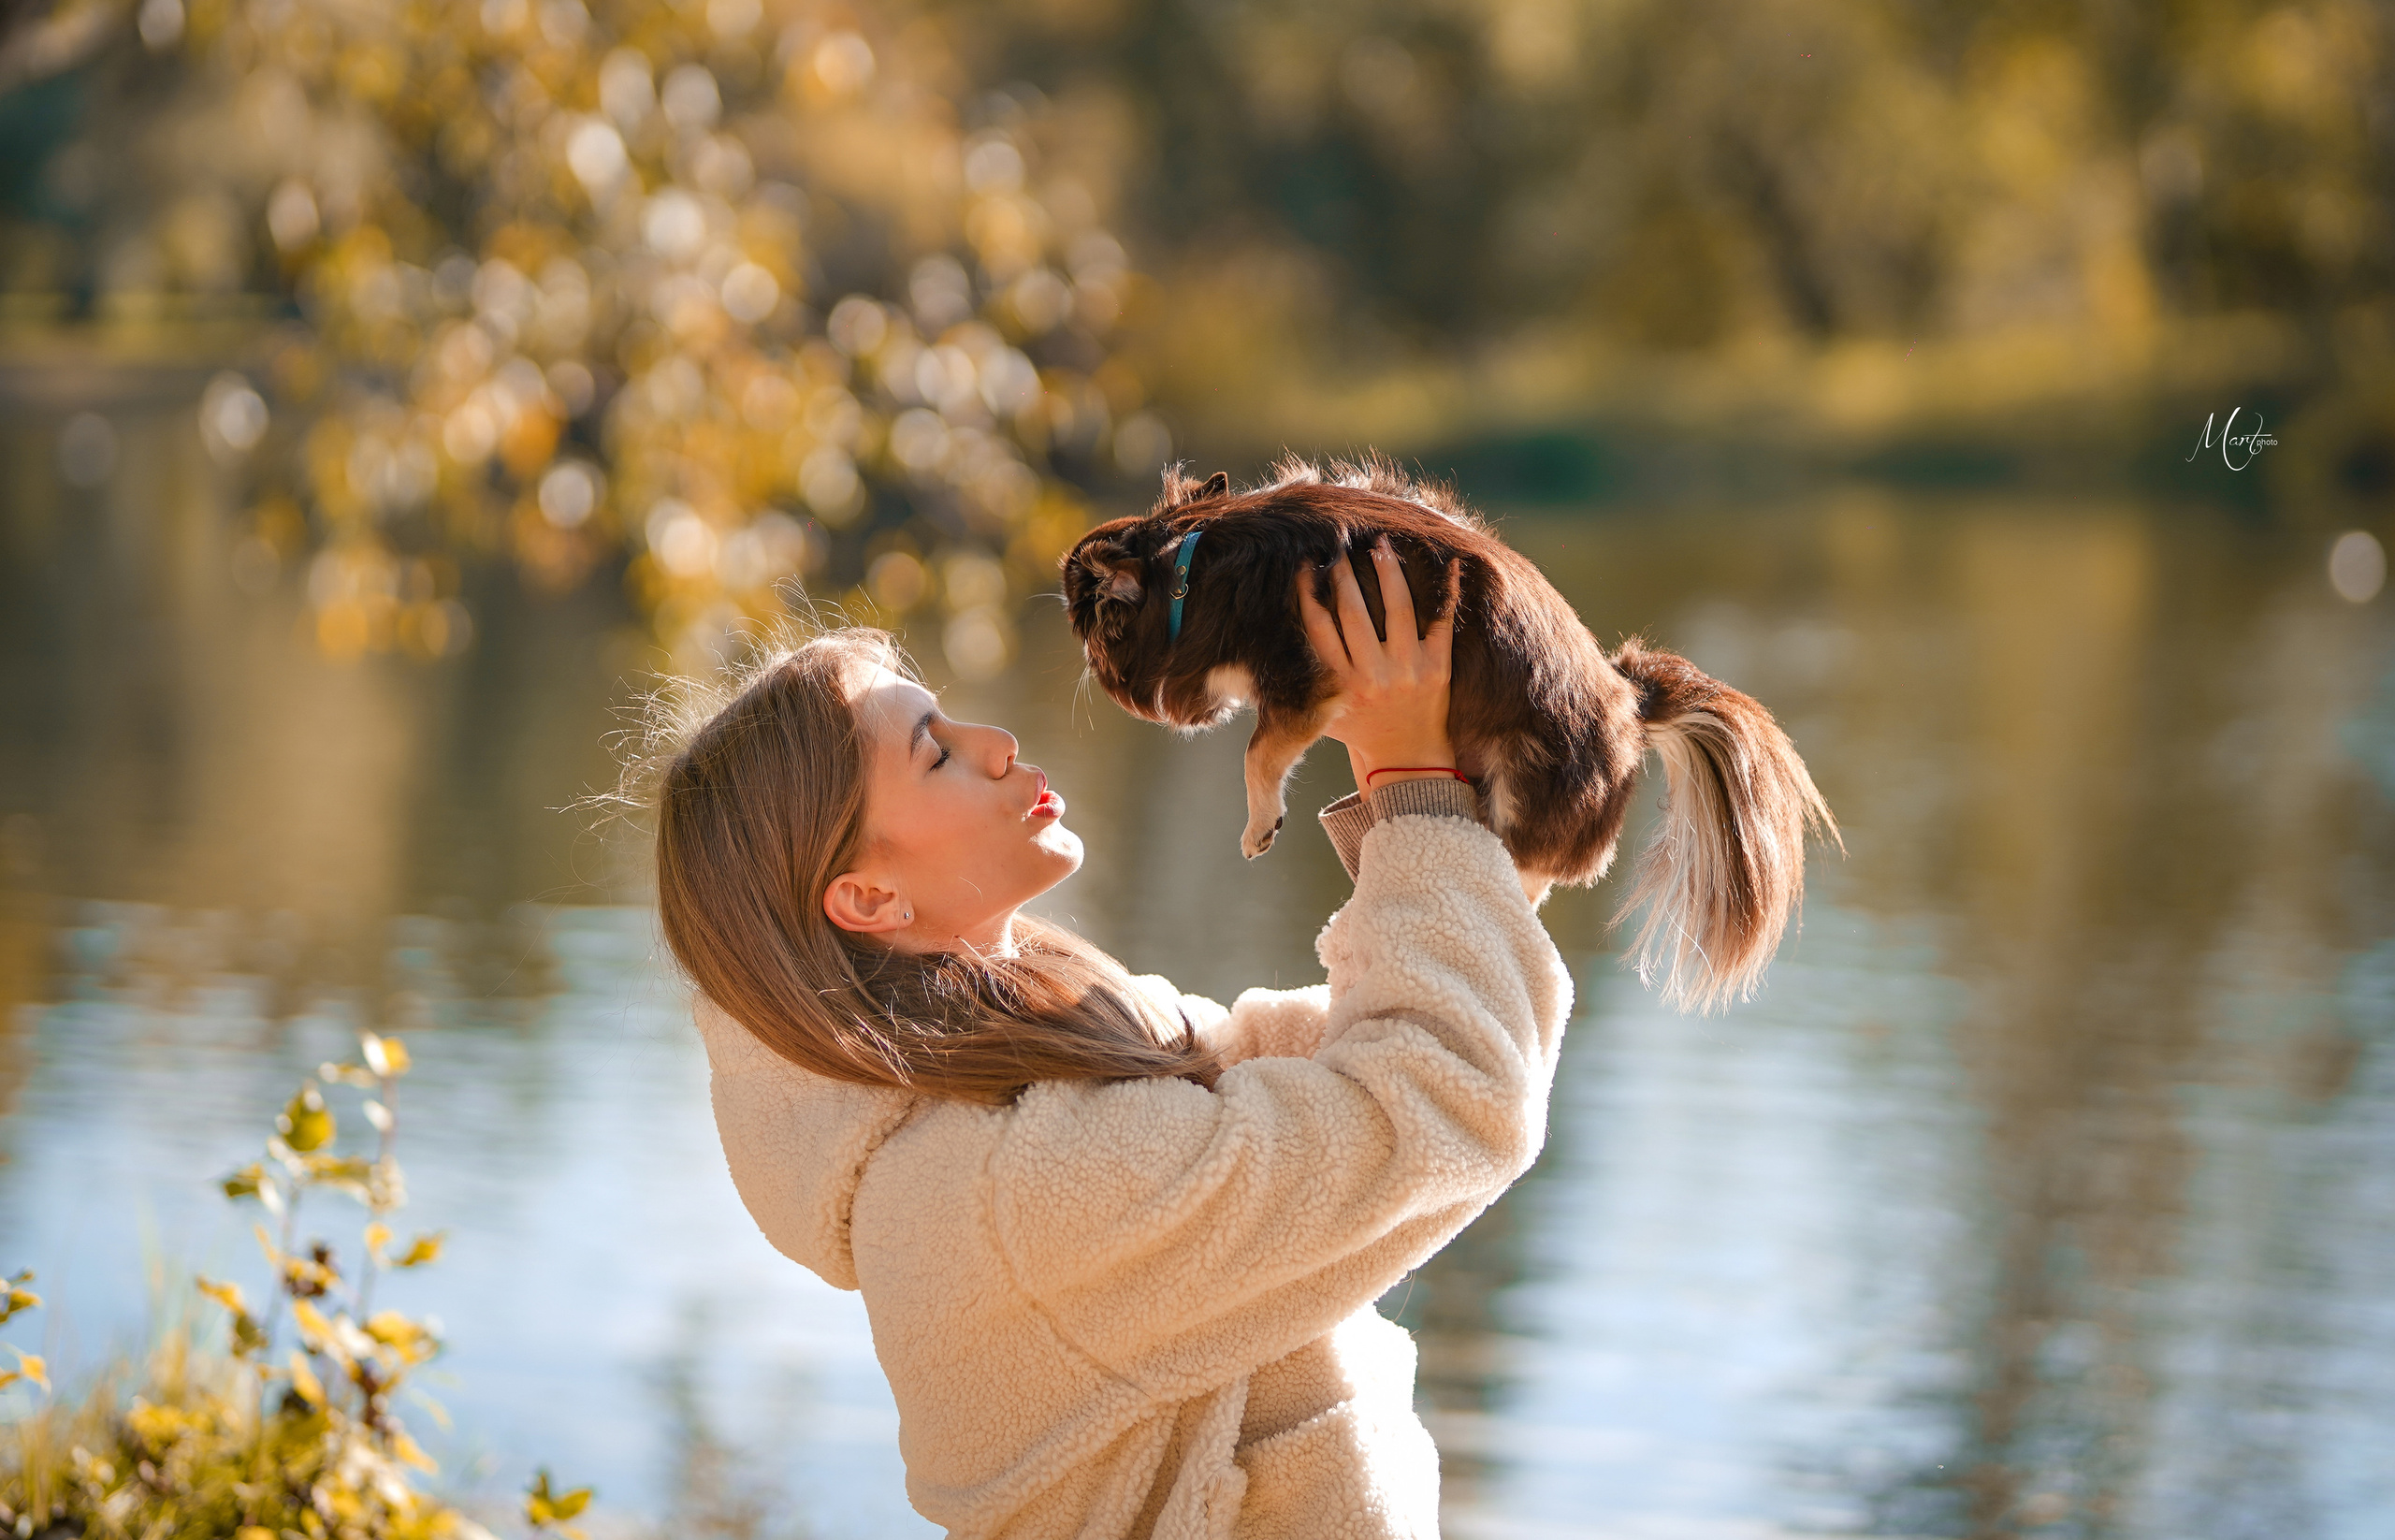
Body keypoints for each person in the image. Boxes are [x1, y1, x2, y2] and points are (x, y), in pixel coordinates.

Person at [648, 540, 1572, 1539]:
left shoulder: (1029, 1063)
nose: (996, 738)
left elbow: (1321, 1059)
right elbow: (1438, 1104)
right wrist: (1409, 790)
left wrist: (1456, 828)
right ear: (868, 895)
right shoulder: (1006, 1190)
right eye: (935, 752)